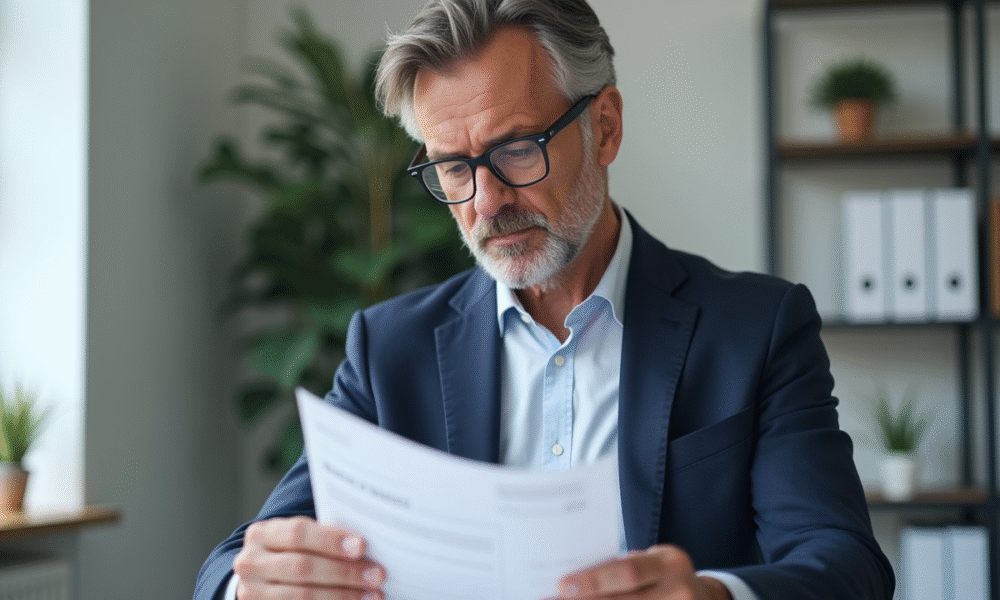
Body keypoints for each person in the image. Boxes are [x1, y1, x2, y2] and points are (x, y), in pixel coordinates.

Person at [194, 1, 895, 599]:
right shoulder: (389, 349)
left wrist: (715, 594)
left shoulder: (756, 329)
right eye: (452, 167)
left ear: (606, 128)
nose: (489, 201)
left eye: (518, 149)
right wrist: (251, 585)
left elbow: (845, 564)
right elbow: (230, 565)